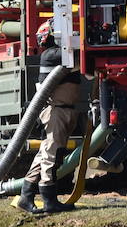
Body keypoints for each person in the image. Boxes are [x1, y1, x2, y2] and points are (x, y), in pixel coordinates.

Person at [14, 22, 83, 215]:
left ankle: (26, 197)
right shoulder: (52, 55)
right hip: (55, 112)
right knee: (53, 154)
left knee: (44, 153)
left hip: (63, 110)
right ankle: (49, 200)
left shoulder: (58, 55)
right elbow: (82, 57)